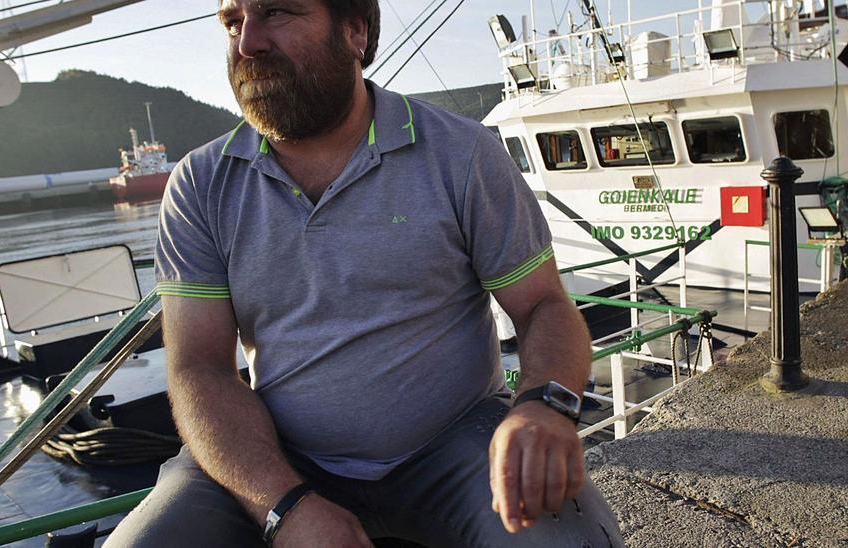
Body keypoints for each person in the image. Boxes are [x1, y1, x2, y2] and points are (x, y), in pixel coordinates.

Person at [105, 0, 622, 547]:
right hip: (277, 455)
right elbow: (199, 367)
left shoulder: (462, 154)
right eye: (233, 22)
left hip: (453, 443)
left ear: (355, 30)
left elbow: (543, 306)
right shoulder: (201, 184)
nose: (247, 43)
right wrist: (284, 506)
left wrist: (543, 404)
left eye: (277, 12)